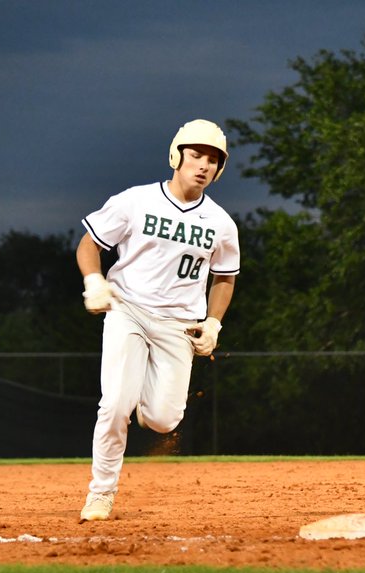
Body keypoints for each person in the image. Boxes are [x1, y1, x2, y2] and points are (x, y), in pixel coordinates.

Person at [76, 119, 241, 522]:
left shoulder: (221, 223)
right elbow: (89, 244)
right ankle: (101, 493)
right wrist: (94, 281)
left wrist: (214, 322)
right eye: (196, 154)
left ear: (219, 170)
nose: (203, 165)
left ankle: (142, 404)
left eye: (212, 160)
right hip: (127, 309)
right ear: (176, 155)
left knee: (163, 419)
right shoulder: (136, 200)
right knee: (114, 404)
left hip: (178, 325)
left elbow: (225, 277)